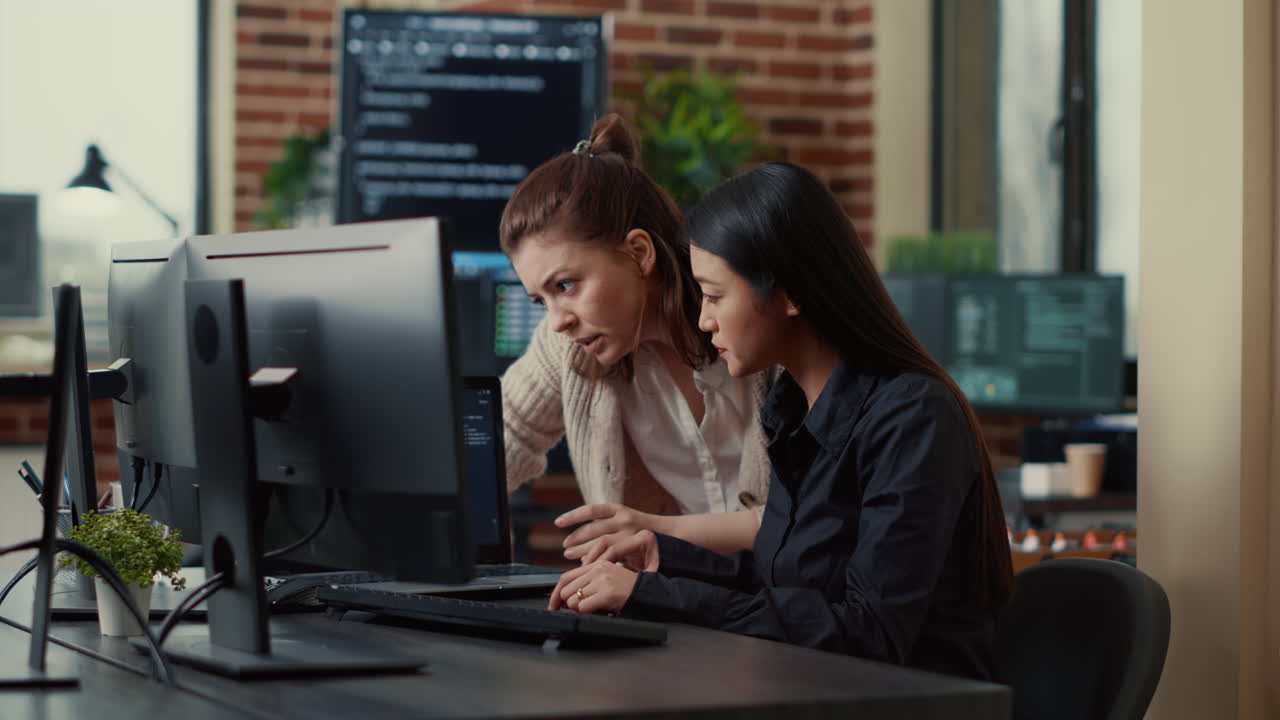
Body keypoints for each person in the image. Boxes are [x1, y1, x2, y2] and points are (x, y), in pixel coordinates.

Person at [547, 161, 1015, 681]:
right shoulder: (792, 406)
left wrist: (653, 594)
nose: (703, 319)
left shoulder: (913, 418)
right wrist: (667, 559)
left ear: (790, 292)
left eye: (716, 295)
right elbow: (786, 581)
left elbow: (870, 633)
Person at [498, 113, 772, 557]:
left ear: (639, 253)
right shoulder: (567, 347)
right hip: (676, 607)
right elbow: (495, 442)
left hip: (790, 607)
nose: (557, 320)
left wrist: (654, 533)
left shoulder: (759, 326)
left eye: (565, 285)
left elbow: (818, 522)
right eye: (540, 300)